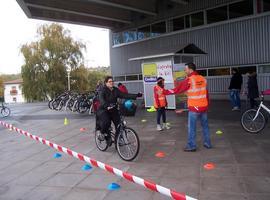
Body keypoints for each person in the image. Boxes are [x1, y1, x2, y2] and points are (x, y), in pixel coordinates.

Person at [164, 63, 212, 152]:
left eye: (186, 69)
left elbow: (177, 89)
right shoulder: (203, 79)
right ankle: (208, 143)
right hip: (203, 107)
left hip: (194, 108)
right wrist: (207, 105)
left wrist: (164, 92)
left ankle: (191, 146)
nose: (185, 71)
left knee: (192, 127)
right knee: (205, 126)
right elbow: (205, 94)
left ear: (190, 70)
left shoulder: (190, 80)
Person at [96, 76, 142, 145]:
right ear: (106, 83)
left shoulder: (115, 90)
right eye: (110, 82)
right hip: (104, 110)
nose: (112, 83)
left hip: (113, 110)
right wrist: (107, 106)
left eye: (112, 81)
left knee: (119, 125)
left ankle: (118, 139)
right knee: (106, 122)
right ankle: (102, 133)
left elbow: (124, 95)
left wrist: (136, 95)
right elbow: (102, 100)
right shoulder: (102, 90)